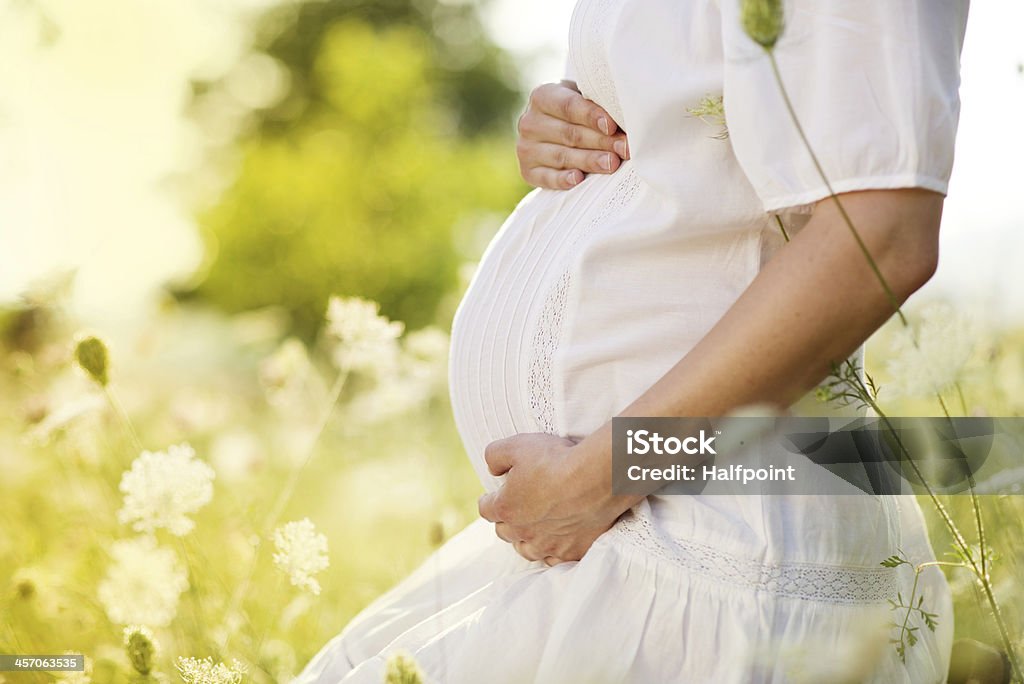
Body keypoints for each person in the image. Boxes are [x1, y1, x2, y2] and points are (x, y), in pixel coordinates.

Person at [296, 0, 970, 681]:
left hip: (707, 563)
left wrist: (605, 473)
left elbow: (882, 239)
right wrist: (564, 120)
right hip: (604, 542)